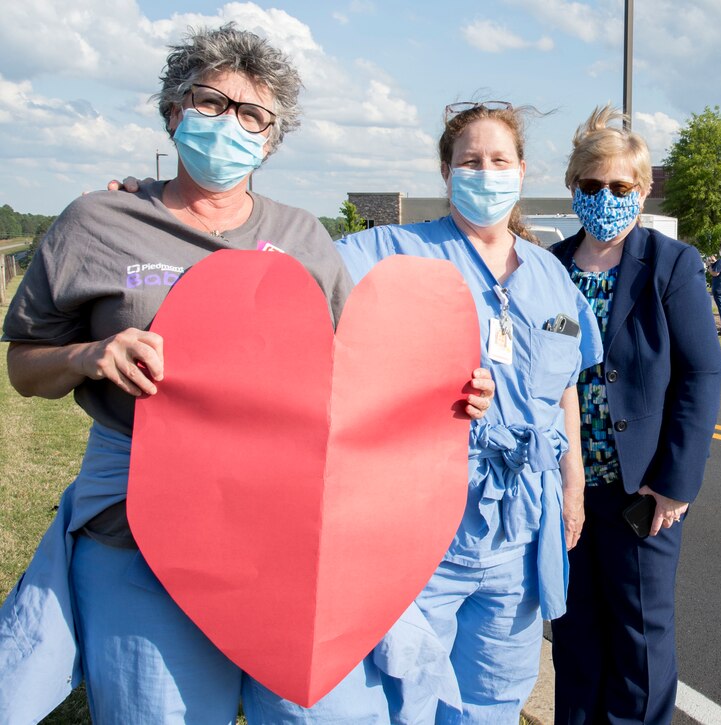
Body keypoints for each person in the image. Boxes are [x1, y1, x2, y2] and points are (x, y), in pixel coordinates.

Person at [1, 24, 492, 724]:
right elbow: (24, 366)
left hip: (287, 543)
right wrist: (87, 356)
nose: (229, 124)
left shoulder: (303, 239)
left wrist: (449, 395)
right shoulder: (96, 221)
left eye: (253, 114)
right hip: (139, 540)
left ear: (271, 137)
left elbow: (353, 381)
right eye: (210, 101)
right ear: (173, 111)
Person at [336, 100, 603, 724]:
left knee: (495, 691)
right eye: (471, 161)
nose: (487, 173)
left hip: (521, 524)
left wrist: (574, 483)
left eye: (499, 160)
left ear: (522, 169)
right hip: (425, 519)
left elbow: (565, 387)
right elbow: (294, 268)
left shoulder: (549, 276)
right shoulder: (394, 251)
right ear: (448, 173)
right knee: (402, 682)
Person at [548, 105, 721, 725]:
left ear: (643, 191)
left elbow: (701, 374)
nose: (605, 198)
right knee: (573, 632)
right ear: (573, 186)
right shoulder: (550, 265)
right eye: (591, 186)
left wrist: (674, 483)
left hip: (638, 492)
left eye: (620, 187)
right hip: (564, 489)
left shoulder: (669, 264)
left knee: (639, 638)